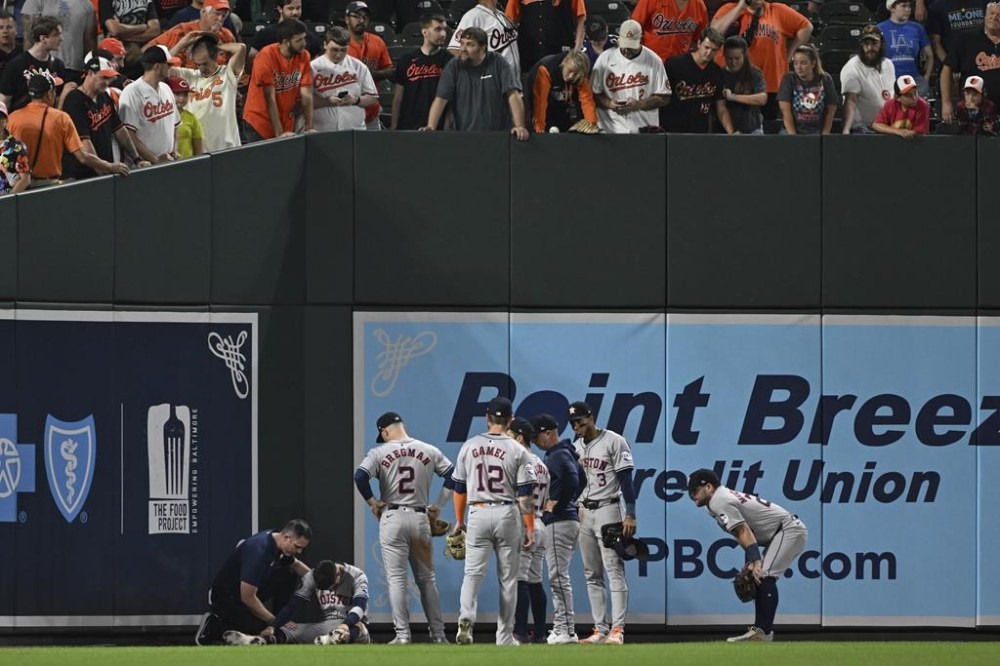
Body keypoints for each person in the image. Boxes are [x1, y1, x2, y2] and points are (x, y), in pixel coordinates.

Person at [353, 411, 455, 645]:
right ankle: (439, 635)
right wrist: (438, 506)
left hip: (393, 517)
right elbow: (453, 476)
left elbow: (360, 477)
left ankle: (402, 635)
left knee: (397, 580)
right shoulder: (429, 450)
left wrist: (372, 503)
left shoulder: (379, 452)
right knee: (427, 580)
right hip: (420, 518)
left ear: (384, 431)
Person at [451, 396, 537, 646]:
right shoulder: (518, 449)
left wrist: (458, 520)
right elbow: (525, 495)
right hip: (506, 512)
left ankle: (466, 618)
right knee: (509, 580)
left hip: (476, 512)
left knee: (472, 575)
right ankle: (504, 637)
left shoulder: (469, 445)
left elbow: (459, 488)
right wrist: (530, 527)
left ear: (487, 418)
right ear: (511, 420)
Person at [686, 468, 807, 642]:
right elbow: (740, 533)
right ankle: (760, 631)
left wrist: (756, 561)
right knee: (756, 575)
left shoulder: (718, 500)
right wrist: (752, 561)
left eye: (695, 490)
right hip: (779, 532)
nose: (692, 495)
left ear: (709, 487)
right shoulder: (717, 500)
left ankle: (763, 633)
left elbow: (744, 530)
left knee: (763, 575)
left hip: (788, 529)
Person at [567, 401, 636, 645]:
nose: (577, 427)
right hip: (584, 511)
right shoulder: (574, 448)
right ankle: (599, 629)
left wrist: (630, 514)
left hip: (609, 509)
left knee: (614, 569)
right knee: (591, 573)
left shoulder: (614, 441)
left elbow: (627, 481)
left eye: (581, 422)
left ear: (591, 417)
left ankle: (618, 629)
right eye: (573, 424)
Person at [195, 519, 313, 645]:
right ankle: (213, 627)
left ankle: (276, 625)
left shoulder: (279, 542)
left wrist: (319, 581)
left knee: (287, 574)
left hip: (248, 592)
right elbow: (247, 596)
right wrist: (275, 622)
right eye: (297, 547)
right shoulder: (260, 551)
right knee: (260, 629)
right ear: (287, 538)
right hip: (227, 598)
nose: (299, 552)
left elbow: (297, 565)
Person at [7, 72, 128, 184]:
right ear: (49, 94)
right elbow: (83, 157)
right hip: (48, 185)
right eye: (55, 91)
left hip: (20, 186)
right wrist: (109, 166)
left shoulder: (12, 118)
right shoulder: (61, 118)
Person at [222, 560, 372, 646]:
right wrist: (273, 626)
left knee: (360, 629)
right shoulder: (313, 576)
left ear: (338, 573)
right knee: (291, 629)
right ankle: (258, 641)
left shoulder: (357, 575)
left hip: (354, 624)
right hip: (326, 626)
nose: (331, 590)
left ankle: (337, 637)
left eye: (331, 586)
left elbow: (360, 606)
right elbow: (293, 605)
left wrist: (345, 625)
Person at [530, 413, 585, 646]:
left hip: (560, 520)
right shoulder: (563, 452)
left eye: (537, 436)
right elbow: (581, 480)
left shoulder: (559, 454)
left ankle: (566, 629)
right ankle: (564, 627)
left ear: (548, 432)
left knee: (558, 577)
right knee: (558, 576)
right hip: (566, 519)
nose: (535, 441)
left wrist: (558, 502)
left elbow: (573, 479)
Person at [710, 0, 812, 121]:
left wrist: (789, 53)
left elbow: (806, 27)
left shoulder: (777, 10)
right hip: (734, 86)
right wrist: (740, 7)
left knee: (767, 132)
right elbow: (713, 33)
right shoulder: (729, 9)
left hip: (771, 85)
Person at [423, 26, 528, 140]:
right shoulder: (453, 66)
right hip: (463, 137)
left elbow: (513, 95)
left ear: (482, 48)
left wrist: (519, 126)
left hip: (498, 137)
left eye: (470, 44)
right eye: (462, 43)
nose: (463, 48)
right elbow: (441, 99)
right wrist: (431, 127)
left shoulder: (498, 62)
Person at [61, 55, 144, 179]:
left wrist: (137, 159)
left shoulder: (103, 96)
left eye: (109, 78)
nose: (107, 82)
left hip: (104, 171)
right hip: (81, 176)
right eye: (104, 77)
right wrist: (105, 170)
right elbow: (85, 144)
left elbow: (119, 130)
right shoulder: (74, 100)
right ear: (90, 73)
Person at [590, 19, 670, 134]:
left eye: (631, 46)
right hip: (610, 130)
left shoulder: (654, 60)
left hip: (644, 130)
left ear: (641, 39)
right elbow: (594, 94)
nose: (627, 50)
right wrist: (609, 103)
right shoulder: (604, 59)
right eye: (625, 45)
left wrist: (639, 104)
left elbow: (664, 97)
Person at [508, 417, 548, 645]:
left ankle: (520, 632)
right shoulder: (541, 463)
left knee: (520, 580)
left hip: (526, 523)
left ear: (519, 437)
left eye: (511, 434)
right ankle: (540, 633)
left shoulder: (520, 461)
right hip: (540, 522)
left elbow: (521, 497)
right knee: (535, 581)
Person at [242, 18, 313, 142]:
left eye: (304, 38)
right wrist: (279, 134)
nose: (304, 43)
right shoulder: (266, 55)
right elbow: (270, 98)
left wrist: (309, 126)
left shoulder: (304, 55)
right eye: (299, 40)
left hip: (285, 121)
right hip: (259, 122)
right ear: (285, 42)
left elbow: (306, 94)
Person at [174, 33, 244, 152]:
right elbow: (160, 65)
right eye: (198, 64)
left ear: (216, 56)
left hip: (226, 146)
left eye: (205, 63)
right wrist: (181, 44)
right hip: (197, 147)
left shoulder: (227, 74)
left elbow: (241, 48)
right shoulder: (190, 76)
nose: (201, 68)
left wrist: (217, 46)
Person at [663, 28, 735, 133]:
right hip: (672, 130)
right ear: (699, 43)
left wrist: (732, 134)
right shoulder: (675, 64)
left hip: (700, 132)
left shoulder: (716, 72)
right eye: (706, 47)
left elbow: (721, 108)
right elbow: (662, 96)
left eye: (714, 50)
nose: (709, 52)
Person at [118, 44, 180, 163]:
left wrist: (173, 150)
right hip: (144, 167)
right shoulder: (132, 92)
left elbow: (174, 125)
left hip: (167, 161)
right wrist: (155, 160)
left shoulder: (166, 88)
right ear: (157, 67)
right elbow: (129, 135)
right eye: (169, 64)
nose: (171, 68)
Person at [391, 12, 452, 131]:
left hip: (438, 126)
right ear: (425, 32)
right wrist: (394, 124)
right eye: (438, 29)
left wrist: (448, 126)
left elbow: (451, 98)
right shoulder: (406, 59)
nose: (443, 34)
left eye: (444, 29)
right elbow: (398, 97)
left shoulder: (449, 60)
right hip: (408, 125)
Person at [310, 26, 377, 132]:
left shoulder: (358, 66)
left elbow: (372, 97)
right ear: (325, 45)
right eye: (334, 50)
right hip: (321, 130)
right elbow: (304, 101)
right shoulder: (312, 67)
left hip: (355, 129)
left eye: (343, 50)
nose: (339, 54)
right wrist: (326, 101)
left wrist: (355, 100)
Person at [941, 2, 1000, 123]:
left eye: (999, 15)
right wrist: (946, 103)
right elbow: (947, 69)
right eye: (991, 13)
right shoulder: (966, 39)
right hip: (973, 110)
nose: (994, 17)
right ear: (984, 15)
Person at [143, 0, 236, 70]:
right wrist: (179, 46)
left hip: (214, 83)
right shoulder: (183, 30)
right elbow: (146, 50)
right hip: (182, 83)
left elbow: (235, 67)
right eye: (217, 14)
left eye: (223, 16)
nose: (220, 19)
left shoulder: (227, 35)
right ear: (203, 12)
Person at [0, 15, 67, 112]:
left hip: (46, 121)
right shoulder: (16, 65)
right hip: (20, 122)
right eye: (56, 35)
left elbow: (57, 99)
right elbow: (4, 101)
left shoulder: (58, 65)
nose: (61, 39)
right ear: (43, 38)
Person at [840, 24, 896, 134]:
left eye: (874, 43)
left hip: (886, 127)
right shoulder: (852, 67)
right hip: (863, 129)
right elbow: (850, 101)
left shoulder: (889, 64)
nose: (870, 48)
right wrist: (846, 130)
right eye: (866, 44)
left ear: (882, 44)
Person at [525, 50, 598, 133]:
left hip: (563, 103)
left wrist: (591, 124)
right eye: (570, 71)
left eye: (575, 74)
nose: (571, 76)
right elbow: (540, 103)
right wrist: (539, 130)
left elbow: (587, 100)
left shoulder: (580, 75)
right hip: (537, 92)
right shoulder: (546, 69)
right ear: (564, 63)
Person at [344, 2, 390, 131]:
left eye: (365, 17)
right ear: (347, 19)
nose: (361, 20)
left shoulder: (377, 41)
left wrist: (371, 74)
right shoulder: (339, 45)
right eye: (357, 16)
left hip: (372, 112)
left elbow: (389, 70)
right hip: (346, 112)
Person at [504, 0, 585, 72]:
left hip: (562, 60)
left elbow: (581, 18)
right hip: (528, 60)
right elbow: (509, 21)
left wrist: (576, 53)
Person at [21, 0, 95, 77]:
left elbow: (90, 39)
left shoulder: (86, 4)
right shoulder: (36, 1)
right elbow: (30, 37)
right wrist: (28, 66)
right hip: (43, 67)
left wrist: (89, 68)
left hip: (75, 68)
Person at [448, 0, 520, 80]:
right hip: (493, 84)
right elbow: (454, 50)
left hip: (513, 82)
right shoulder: (473, 16)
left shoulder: (501, 14)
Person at [776, 44, 837, 135]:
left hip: (817, 131)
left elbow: (831, 110)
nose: (798, 67)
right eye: (795, 63)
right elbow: (786, 112)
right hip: (791, 131)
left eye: (803, 63)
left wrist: (824, 136)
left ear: (813, 63)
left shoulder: (825, 79)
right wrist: (794, 138)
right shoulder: (789, 79)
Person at [879, 0, 933, 98]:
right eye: (903, 6)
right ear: (892, 8)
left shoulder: (917, 28)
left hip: (914, 79)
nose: (908, 10)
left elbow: (930, 56)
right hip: (889, 80)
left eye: (909, 6)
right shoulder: (880, 29)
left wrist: (926, 77)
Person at [98, 0, 162, 80]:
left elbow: (155, 29)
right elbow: (114, 29)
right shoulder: (107, 1)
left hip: (143, 49)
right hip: (118, 51)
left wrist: (124, 35)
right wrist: (142, 27)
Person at [631, 0, 709, 62]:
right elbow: (633, 26)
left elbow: (698, 40)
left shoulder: (699, 6)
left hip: (678, 65)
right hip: (649, 61)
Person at [720, 35, 766, 134]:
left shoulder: (754, 72)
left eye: (737, 58)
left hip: (752, 130)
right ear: (723, 55)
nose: (733, 63)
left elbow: (762, 98)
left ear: (744, 55)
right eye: (729, 58)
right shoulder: (719, 74)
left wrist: (733, 97)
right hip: (725, 132)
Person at [249, 0, 322, 60]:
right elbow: (250, 65)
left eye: (298, 8)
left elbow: (315, 69)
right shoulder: (265, 34)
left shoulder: (310, 38)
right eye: (290, 8)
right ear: (280, 9)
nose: (295, 12)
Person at [927, 0, 987, 68]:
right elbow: (936, 43)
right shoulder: (937, 6)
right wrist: (950, 67)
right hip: (955, 64)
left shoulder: (983, 2)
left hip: (985, 62)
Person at [872, 73, 930, 138]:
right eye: (908, 95)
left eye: (915, 92)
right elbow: (876, 124)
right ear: (897, 97)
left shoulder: (923, 105)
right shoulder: (890, 105)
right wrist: (899, 131)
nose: (914, 98)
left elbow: (920, 133)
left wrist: (909, 133)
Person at [0, 100, 31, 194]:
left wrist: (8, 201)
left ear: (5, 121)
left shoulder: (16, 147)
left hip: (6, 203)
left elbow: (25, 179)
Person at [168, 75, 202, 156]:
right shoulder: (160, 117)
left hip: (187, 164)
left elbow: (198, 149)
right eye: (177, 94)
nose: (182, 98)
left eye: (185, 94)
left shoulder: (191, 118)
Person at [0, 9, 20, 78]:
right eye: (1, 28)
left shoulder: (24, 53)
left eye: (9, 27)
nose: (5, 31)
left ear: (16, 30)